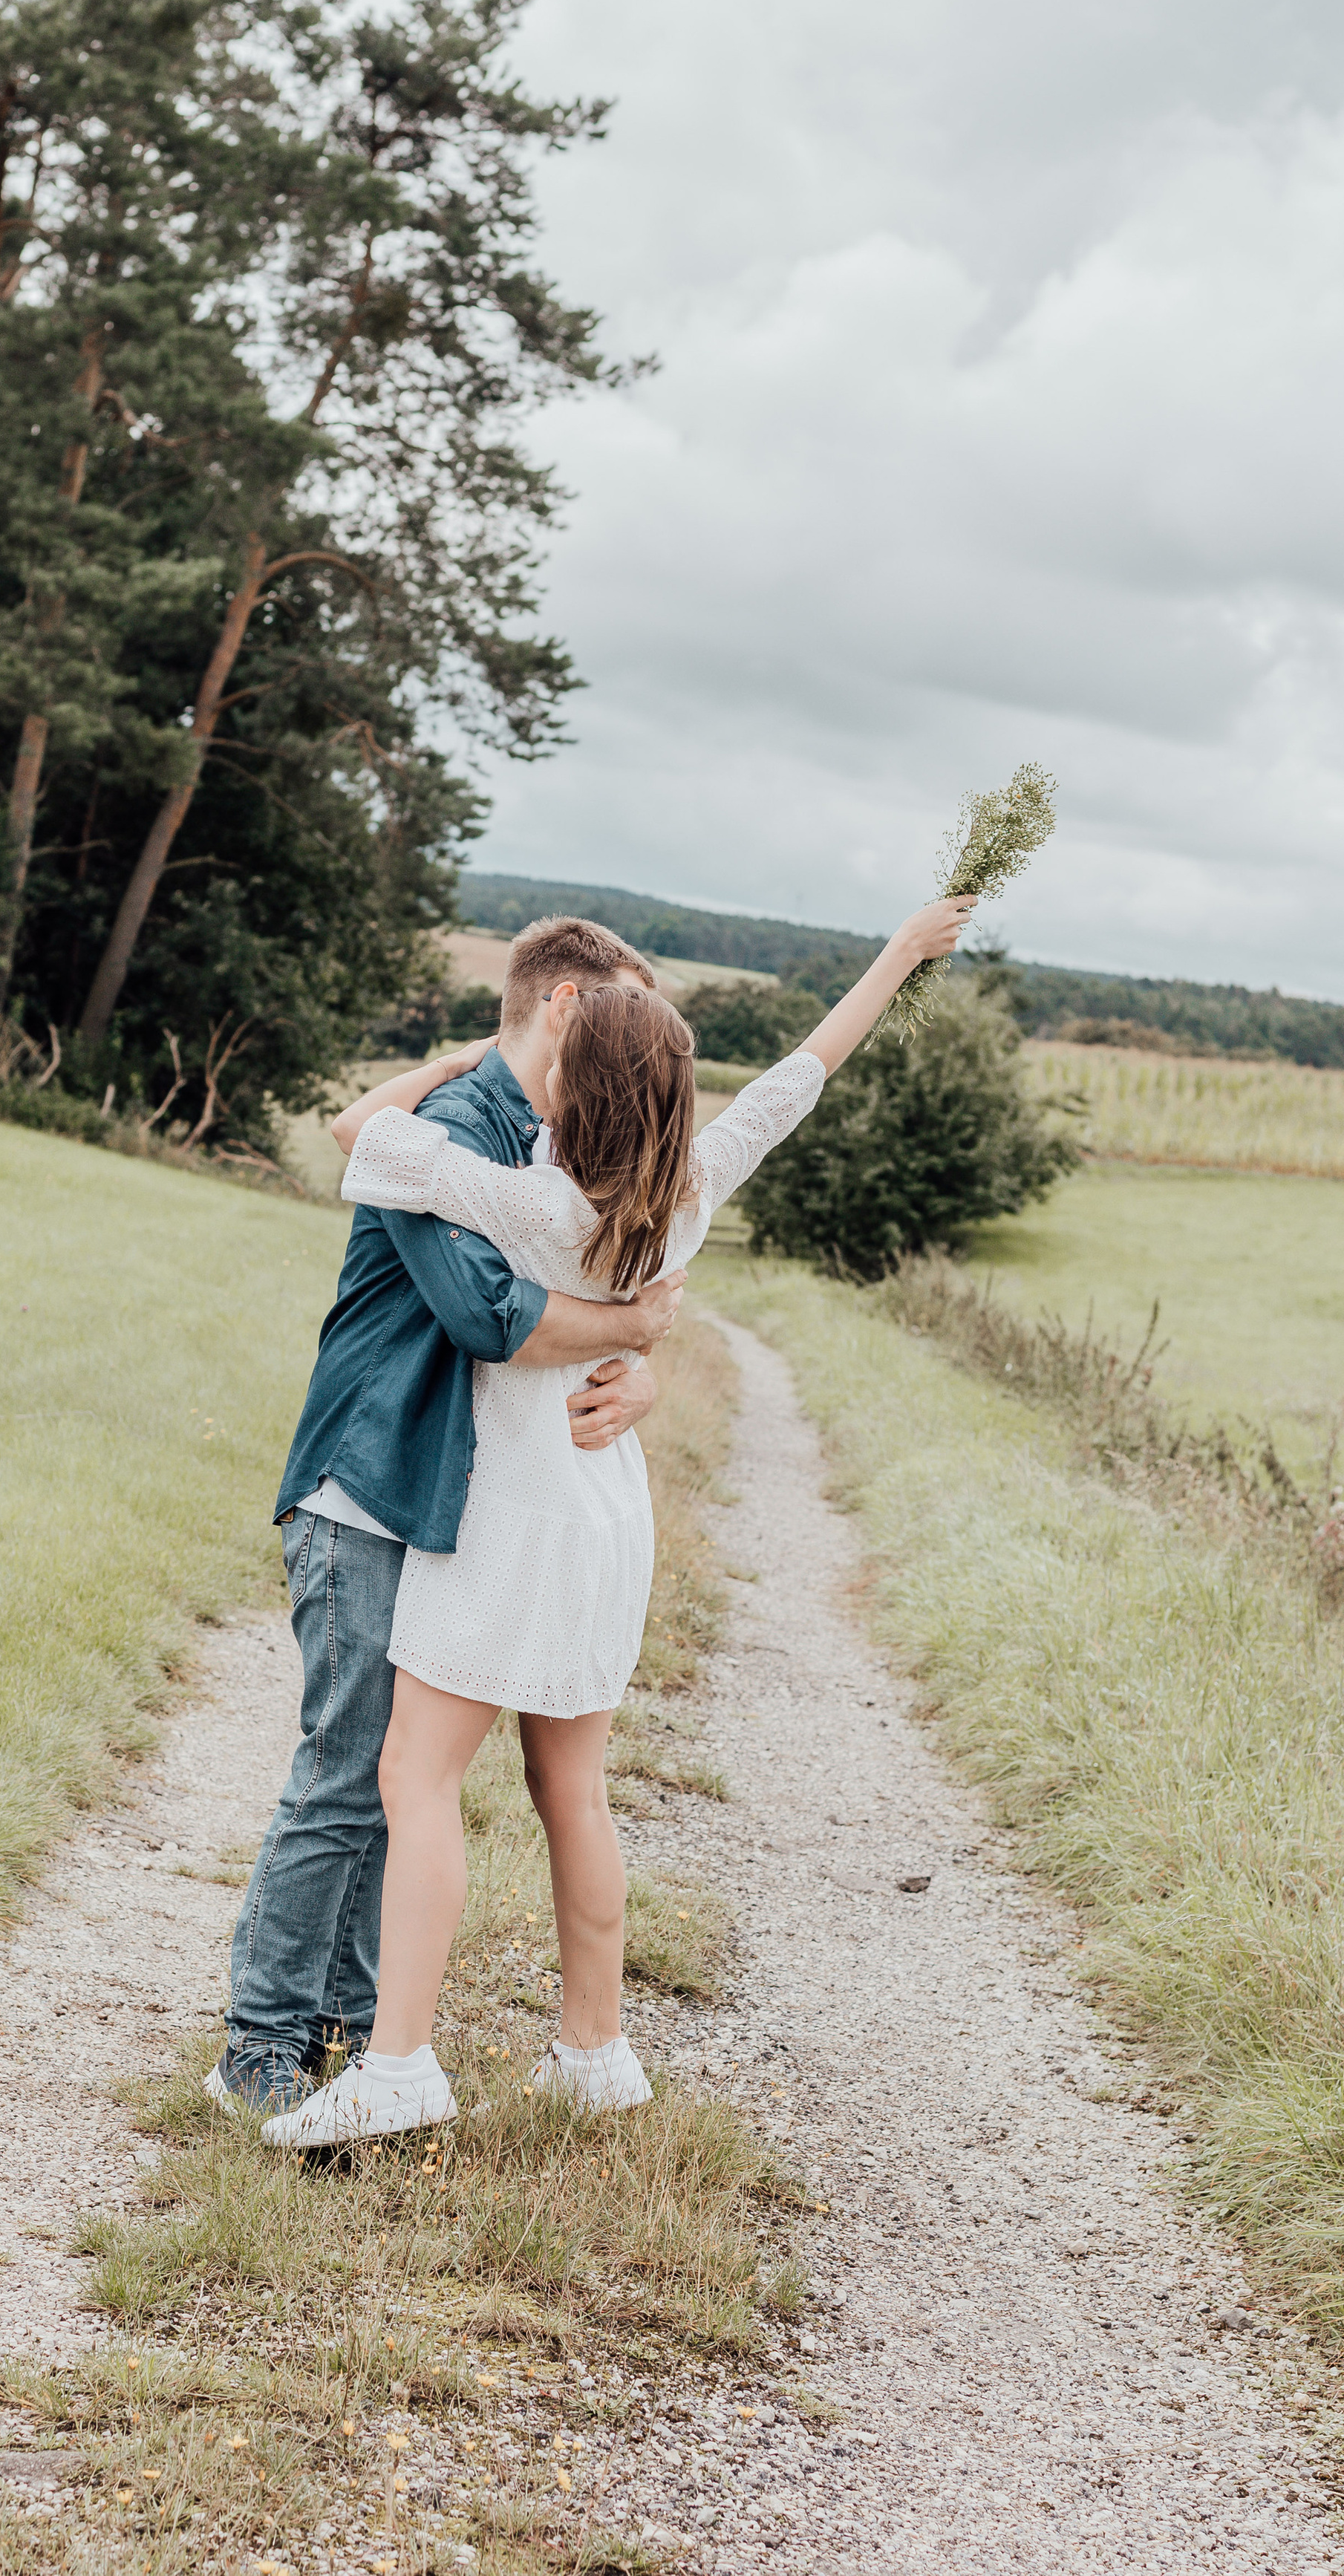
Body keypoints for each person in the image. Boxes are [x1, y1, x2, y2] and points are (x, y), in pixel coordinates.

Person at [258, 893, 978, 2148]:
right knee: (573, 1790)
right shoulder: (688, 1190)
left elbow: (365, 1138)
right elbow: (801, 1075)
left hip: (509, 1519)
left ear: (565, 1083)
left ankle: (400, 2060)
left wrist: (477, 1058)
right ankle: (595, 2048)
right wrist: (901, 954)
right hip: (610, 1520)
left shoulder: (525, 1203)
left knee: (413, 1776)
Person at [209, 919, 691, 2118]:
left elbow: (593, 1270)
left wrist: (649, 1361)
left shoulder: (531, 1133)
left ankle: (344, 2019)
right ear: (571, 1005)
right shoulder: (460, 1130)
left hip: (430, 1487)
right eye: (621, 1016)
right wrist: (635, 1328)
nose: (628, 1046)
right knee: (345, 1775)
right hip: (367, 1477)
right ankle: (260, 2046)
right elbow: (494, 1314)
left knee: (385, 1775)